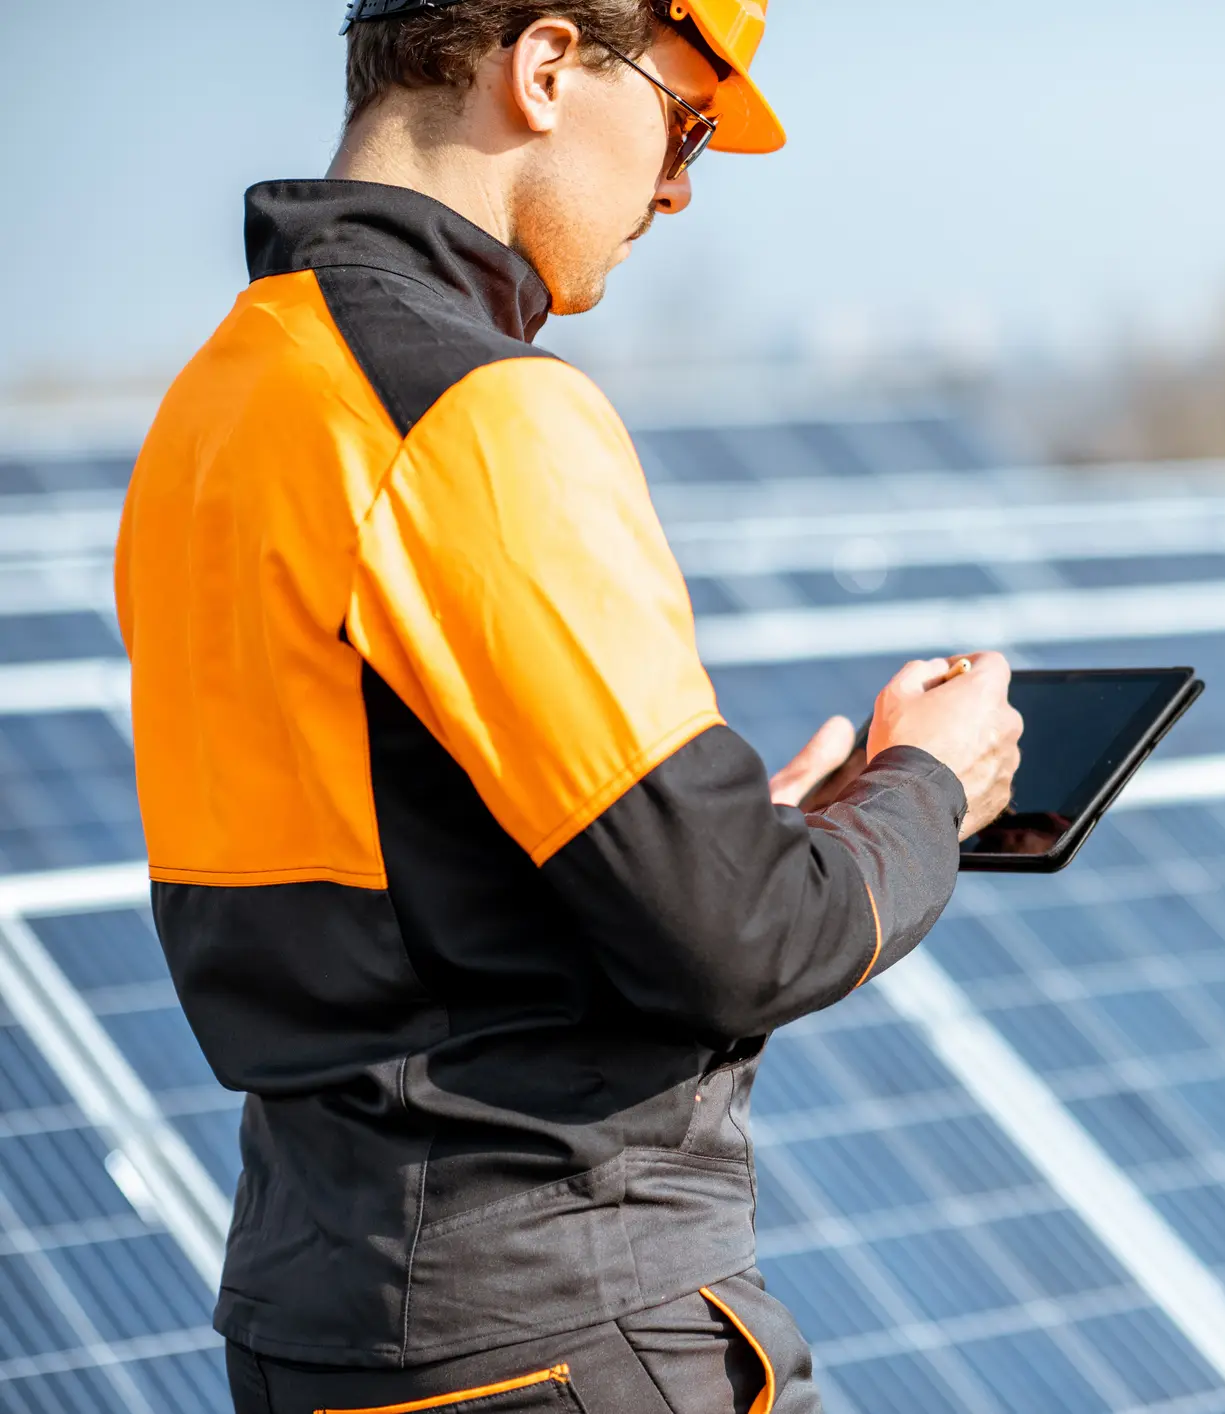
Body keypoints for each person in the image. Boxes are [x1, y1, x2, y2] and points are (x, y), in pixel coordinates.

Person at [114, 2, 1022, 1410]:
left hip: (318, 1320)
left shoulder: (220, 402)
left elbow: (393, 884)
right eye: (687, 117)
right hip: (559, 1325)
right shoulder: (479, 411)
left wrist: (711, 835)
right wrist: (926, 788)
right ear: (543, 67)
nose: (680, 183)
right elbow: (749, 936)